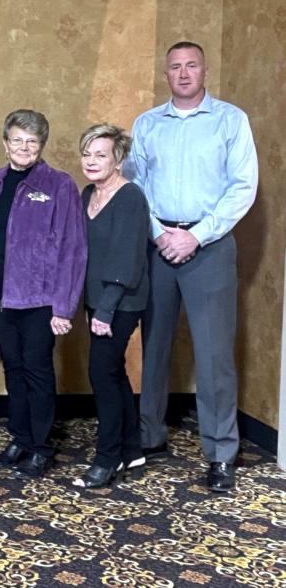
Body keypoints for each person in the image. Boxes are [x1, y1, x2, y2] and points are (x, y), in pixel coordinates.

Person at [129, 41, 257, 493]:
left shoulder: (230, 120)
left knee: (214, 353)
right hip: (158, 244)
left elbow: (243, 187)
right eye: (175, 67)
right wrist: (159, 234)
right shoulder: (147, 124)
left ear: (205, 70)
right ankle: (150, 437)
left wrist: (195, 235)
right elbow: (133, 186)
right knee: (155, 344)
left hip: (211, 247)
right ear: (166, 74)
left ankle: (221, 451)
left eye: (192, 66)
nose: (183, 74)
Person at [0, 109, 86, 478]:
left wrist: (63, 308)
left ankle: (41, 446)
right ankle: (19, 438)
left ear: (42, 146)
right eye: (17, 140)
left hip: (39, 298)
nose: (24, 147)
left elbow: (72, 247)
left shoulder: (59, 185)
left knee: (37, 371)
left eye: (32, 142)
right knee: (14, 368)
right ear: (5, 144)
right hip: (0, 292)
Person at [73, 124, 149, 489]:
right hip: (95, 299)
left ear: (117, 160)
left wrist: (105, 311)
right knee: (113, 371)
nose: (91, 161)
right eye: (87, 153)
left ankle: (107, 459)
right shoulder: (87, 193)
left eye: (100, 154)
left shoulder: (131, 197)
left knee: (101, 374)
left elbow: (126, 260)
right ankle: (132, 448)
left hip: (121, 302)